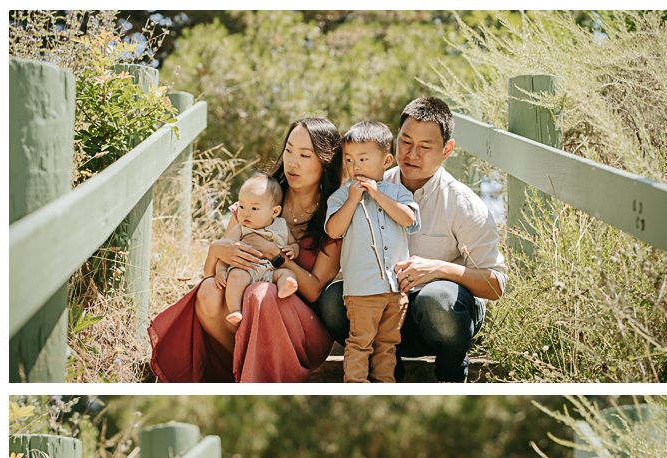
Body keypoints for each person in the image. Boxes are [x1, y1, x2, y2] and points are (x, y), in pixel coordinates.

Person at [318, 96, 507, 383]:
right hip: (383, 311)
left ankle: (450, 375)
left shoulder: (464, 204)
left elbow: (495, 285)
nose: (412, 154)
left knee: (438, 298)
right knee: (333, 300)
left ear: (447, 150)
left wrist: (438, 269)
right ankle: (386, 373)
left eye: (425, 147)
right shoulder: (368, 185)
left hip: (438, 320)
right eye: (405, 142)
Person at [149, 118, 343, 383]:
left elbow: (315, 289)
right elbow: (210, 276)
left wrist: (274, 255)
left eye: (304, 155)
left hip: (305, 330)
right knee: (207, 292)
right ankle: (249, 368)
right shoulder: (257, 199)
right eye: (288, 150)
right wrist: (216, 249)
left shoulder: (334, 216)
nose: (292, 161)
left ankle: (258, 372)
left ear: (326, 161)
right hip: (247, 317)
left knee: (259, 292)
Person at [325, 122, 420, 383]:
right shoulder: (341, 197)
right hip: (362, 289)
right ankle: (355, 384)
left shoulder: (398, 192)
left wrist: (378, 196)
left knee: (388, 344)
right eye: (349, 159)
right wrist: (353, 200)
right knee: (360, 341)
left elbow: (409, 219)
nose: (355, 166)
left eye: (363, 159)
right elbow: (333, 230)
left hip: (395, 289)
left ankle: (383, 384)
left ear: (386, 160)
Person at [211, 174, 300, 326]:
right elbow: (224, 256)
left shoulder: (281, 226)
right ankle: (235, 310)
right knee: (236, 277)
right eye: (242, 206)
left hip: (271, 271)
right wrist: (220, 271)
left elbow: (294, 243)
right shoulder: (240, 229)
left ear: (274, 212)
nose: (246, 213)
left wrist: (293, 249)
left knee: (287, 273)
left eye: (254, 208)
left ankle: (284, 288)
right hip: (246, 270)